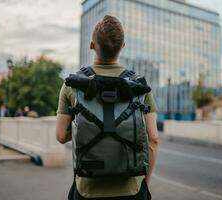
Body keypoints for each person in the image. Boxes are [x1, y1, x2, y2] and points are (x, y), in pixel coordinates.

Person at [56, 15, 159, 200]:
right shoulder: (140, 87)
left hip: (87, 189)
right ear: (123, 46)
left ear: (92, 45)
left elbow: (61, 136)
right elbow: (153, 140)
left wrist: (87, 125)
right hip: (131, 189)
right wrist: (145, 181)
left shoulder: (72, 86)